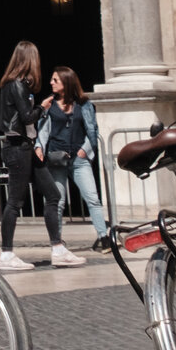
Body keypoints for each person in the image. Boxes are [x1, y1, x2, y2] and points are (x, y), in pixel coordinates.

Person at [0, 41, 76, 270]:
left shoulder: (15, 86)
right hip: (17, 148)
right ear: (30, 60)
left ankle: (58, 249)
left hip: (26, 147)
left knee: (52, 194)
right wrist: (43, 107)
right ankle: (7, 254)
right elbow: (28, 117)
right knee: (15, 201)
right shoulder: (17, 85)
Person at [42, 67, 112, 252]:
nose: (51, 83)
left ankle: (103, 237)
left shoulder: (84, 104)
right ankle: (56, 242)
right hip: (57, 159)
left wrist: (85, 149)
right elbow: (43, 131)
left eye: (55, 80)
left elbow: (92, 130)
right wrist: (39, 148)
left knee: (93, 198)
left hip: (79, 160)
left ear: (66, 82)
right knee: (58, 201)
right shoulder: (50, 105)